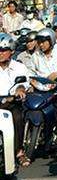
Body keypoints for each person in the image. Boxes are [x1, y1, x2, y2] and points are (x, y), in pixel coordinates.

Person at [0, 33, 30, 166]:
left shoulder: (19, 67)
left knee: (17, 117)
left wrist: (20, 89)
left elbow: (24, 83)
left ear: (11, 51)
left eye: (3, 50)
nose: (0, 53)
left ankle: (19, 151)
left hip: (12, 103)